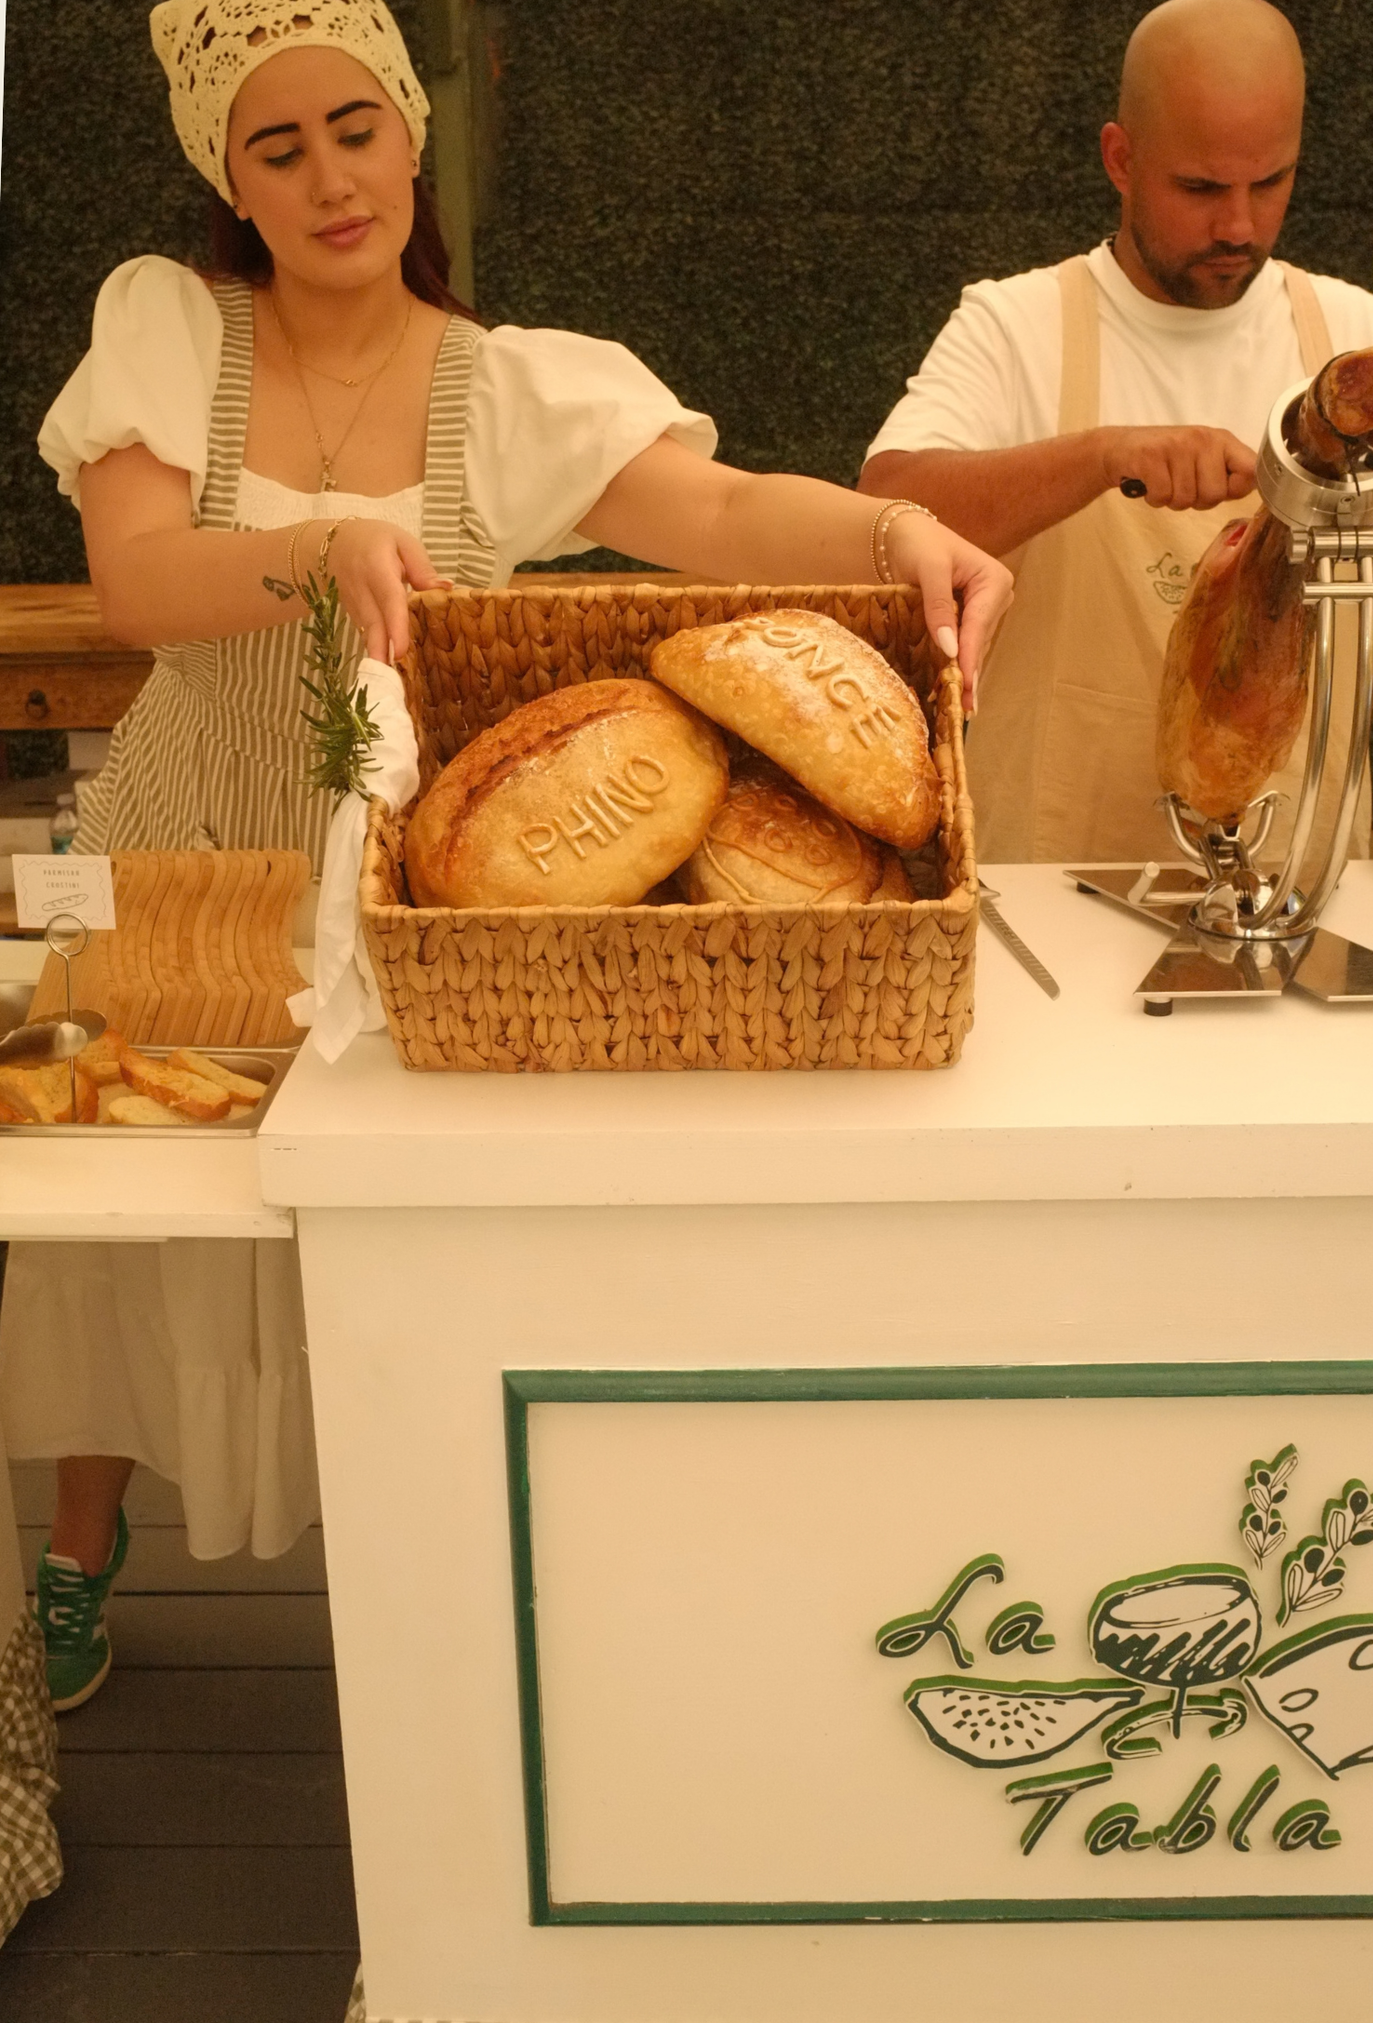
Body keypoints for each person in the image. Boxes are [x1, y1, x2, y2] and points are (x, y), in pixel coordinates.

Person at [0, 0, 1011, 1712]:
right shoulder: (171, 329)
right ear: (229, 180)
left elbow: (724, 511)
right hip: (184, 856)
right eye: (278, 145)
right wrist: (329, 543)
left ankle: (433, 1587)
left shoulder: (508, 384)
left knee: (382, 1233)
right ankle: (76, 1550)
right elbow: (138, 580)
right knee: (127, 1230)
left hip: (411, 899)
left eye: (355, 130)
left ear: (412, 138)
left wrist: (900, 526)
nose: (329, 177)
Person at [860, 0, 1373, 864]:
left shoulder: (1354, 331)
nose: (1238, 227)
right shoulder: (1015, 324)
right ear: (1121, 159)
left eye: (1270, 181)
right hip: (1050, 891)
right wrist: (1102, 454)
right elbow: (881, 514)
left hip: (1298, 886)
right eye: (1202, 188)